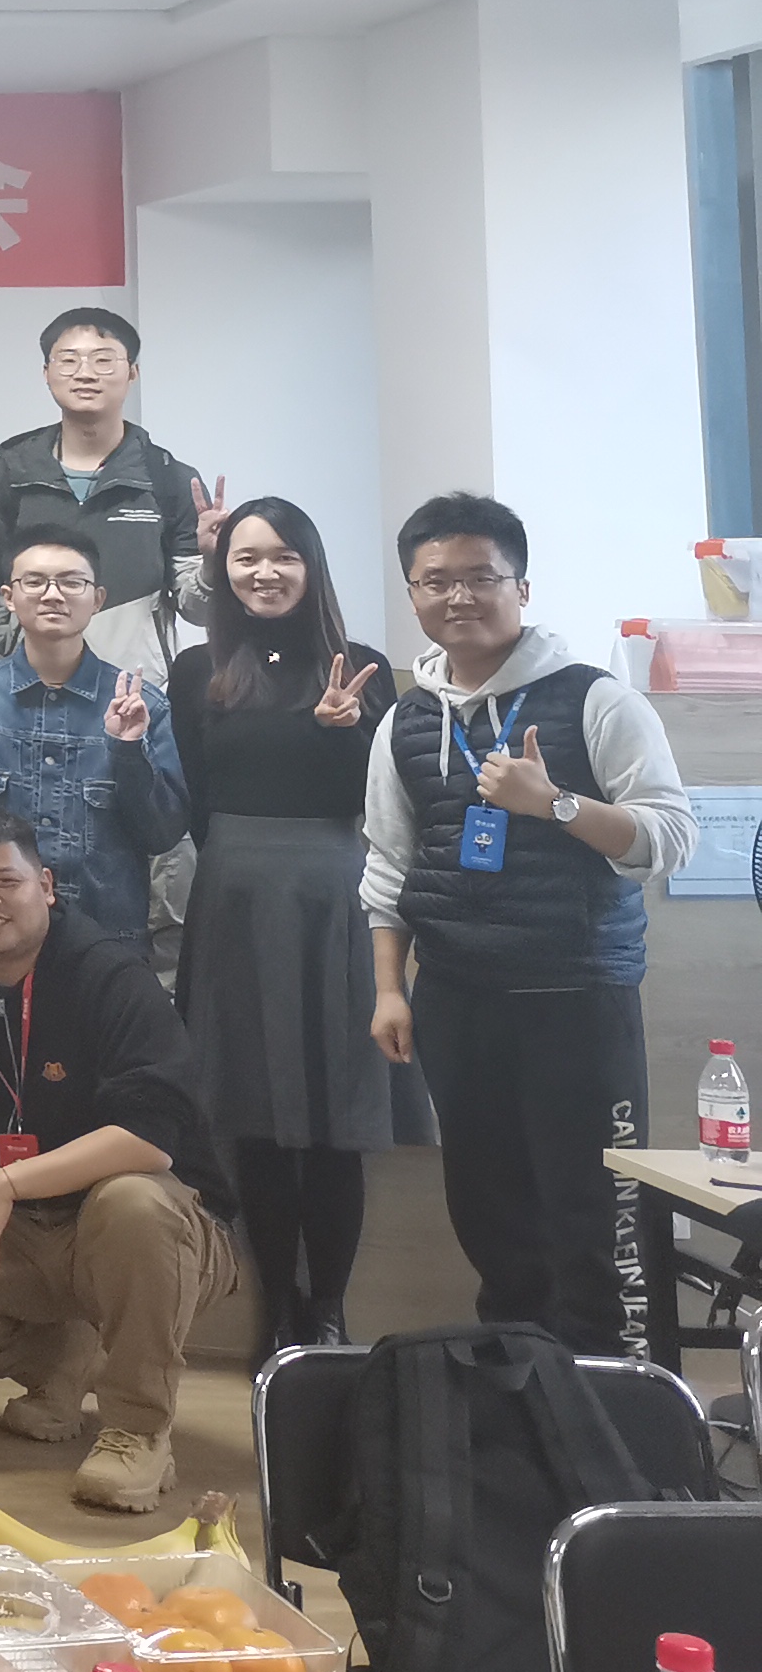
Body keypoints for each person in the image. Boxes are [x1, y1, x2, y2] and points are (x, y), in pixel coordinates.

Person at [364, 490, 697, 1359]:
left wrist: (555, 804)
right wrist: (390, 991)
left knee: (596, 1221)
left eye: (481, 577)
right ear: (413, 594)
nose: (459, 596)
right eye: (436, 580)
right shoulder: (406, 719)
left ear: (522, 587)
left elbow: (669, 837)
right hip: (456, 1002)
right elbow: (388, 866)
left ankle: (615, 1400)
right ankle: (522, 1394)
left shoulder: (596, 700)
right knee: (489, 1217)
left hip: (575, 999)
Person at [0, 807, 240, 1512]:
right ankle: (64, 1358)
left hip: (158, 1230)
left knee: (131, 1199)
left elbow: (148, 1136)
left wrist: (6, 1180)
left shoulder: (110, 973)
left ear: (47, 886)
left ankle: (138, 1430)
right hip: (26, 1228)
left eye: (6, 881)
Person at [172, 498, 402, 1353]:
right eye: (246, 558)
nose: (264, 572)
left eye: (283, 557)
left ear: (311, 565)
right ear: (222, 570)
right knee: (255, 1123)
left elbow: (381, 803)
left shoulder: (363, 666)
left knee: (338, 1124)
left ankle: (329, 1312)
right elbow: (193, 800)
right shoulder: (197, 670)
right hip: (234, 892)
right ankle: (275, 1312)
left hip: (335, 893)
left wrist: (344, 734)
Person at [0, 529, 189, 947]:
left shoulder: (142, 704)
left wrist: (127, 750)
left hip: (108, 938)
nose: (53, 595)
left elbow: (162, 835)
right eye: (34, 581)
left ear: (98, 599)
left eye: (72, 582)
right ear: (9, 597)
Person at [0, 308, 212, 668]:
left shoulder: (168, 478)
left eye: (103, 360)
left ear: (133, 373)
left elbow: (199, 611)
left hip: (135, 684)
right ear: (46, 373)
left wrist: (213, 565)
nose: (85, 373)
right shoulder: (10, 474)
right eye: (68, 360)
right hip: (29, 684)